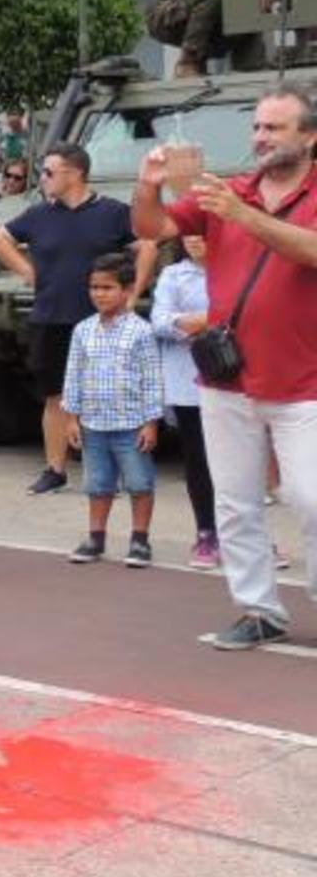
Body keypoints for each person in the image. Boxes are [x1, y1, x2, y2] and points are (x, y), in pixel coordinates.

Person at [131, 83, 317, 651]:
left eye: (274, 128)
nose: (260, 137)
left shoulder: (245, 200)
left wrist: (244, 215)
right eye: (257, 126)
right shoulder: (227, 192)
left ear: (309, 137)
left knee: (311, 498)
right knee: (234, 503)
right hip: (226, 378)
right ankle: (258, 610)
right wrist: (148, 186)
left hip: (302, 382)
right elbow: (152, 229)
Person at [0, 144, 153, 496]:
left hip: (102, 320)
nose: (43, 180)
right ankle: (55, 468)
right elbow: (0, 239)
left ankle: (120, 468)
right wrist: (29, 273)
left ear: (75, 173)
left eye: (49, 172)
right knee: (56, 395)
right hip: (51, 316)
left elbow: (147, 244)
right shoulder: (38, 215)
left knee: (111, 390)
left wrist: (134, 292)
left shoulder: (113, 212)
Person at [61, 252, 162, 567]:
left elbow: (152, 378)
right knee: (97, 484)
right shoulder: (83, 330)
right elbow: (73, 375)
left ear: (128, 290)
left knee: (140, 483)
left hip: (131, 424)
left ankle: (140, 540)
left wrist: (151, 422)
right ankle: (95, 537)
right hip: (93, 425)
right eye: (94, 287)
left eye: (107, 288)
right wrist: (71, 418)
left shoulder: (141, 331)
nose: (99, 294)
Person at [152, 235, 221, 569]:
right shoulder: (173, 275)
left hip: (233, 380)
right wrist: (211, 320)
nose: (195, 240)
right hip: (187, 383)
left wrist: (192, 320)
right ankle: (206, 532)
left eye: (202, 231)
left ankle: (256, 537)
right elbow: (160, 321)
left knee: (239, 464)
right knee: (197, 460)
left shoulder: (234, 268)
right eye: (189, 233)